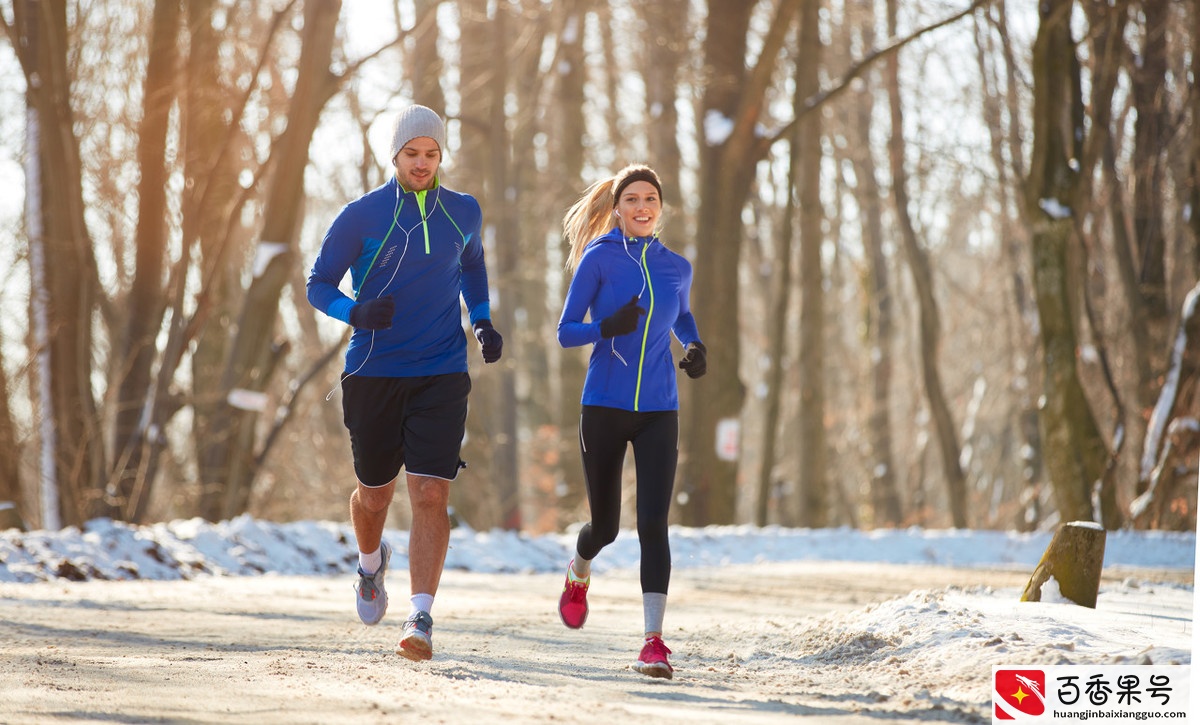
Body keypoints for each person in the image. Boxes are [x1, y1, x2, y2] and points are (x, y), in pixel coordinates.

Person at [306, 104, 504, 662]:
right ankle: (370, 566)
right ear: (394, 156)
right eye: (412, 154)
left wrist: (483, 319)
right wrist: (355, 312)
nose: (422, 163)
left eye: (432, 154)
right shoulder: (361, 215)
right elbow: (318, 284)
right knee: (374, 495)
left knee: (431, 492)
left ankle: (421, 617)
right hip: (373, 372)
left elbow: (472, 266)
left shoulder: (463, 210)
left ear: (443, 156)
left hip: (441, 370)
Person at [555, 164, 706, 680]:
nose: (642, 207)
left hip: (660, 409)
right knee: (607, 527)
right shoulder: (598, 259)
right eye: (632, 199)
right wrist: (606, 327)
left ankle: (653, 642)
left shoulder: (676, 267)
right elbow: (565, 332)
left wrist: (695, 345)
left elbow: (681, 315)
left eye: (651, 199)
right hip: (604, 405)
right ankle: (579, 570)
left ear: (660, 207)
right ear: (617, 208)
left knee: (653, 526)